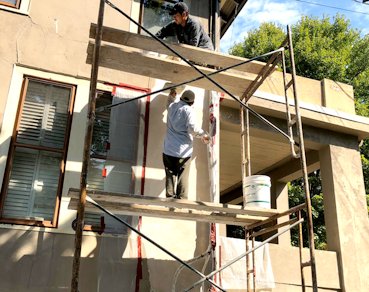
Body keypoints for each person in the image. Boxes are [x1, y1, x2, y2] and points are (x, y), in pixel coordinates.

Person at [163, 89, 210, 199]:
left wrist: (172, 95)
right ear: (192, 103)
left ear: (180, 98)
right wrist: (204, 135)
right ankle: (182, 200)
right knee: (182, 176)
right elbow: (192, 129)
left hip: (168, 150)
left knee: (170, 175)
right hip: (183, 152)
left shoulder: (172, 107)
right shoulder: (188, 111)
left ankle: (169, 198)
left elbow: (168, 103)